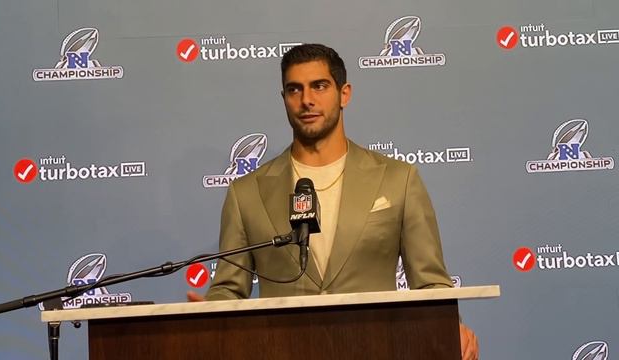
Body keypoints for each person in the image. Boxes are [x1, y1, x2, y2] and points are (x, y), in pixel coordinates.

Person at [188, 43, 479, 360]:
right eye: (294, 89)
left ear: (345, 94)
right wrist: (210, 316)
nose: (307, 100)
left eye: (319, 86)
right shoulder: (246, 193)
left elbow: (431, 284)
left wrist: (451, 326)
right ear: (284, 98)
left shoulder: (399, 180)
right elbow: (229, 288)